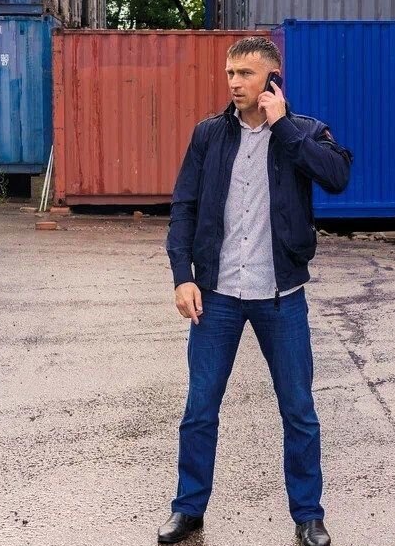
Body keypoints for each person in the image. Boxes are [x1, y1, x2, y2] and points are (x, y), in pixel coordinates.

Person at [159, 37, 352, 546]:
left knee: (298, 410)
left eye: (245, 73)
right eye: (230, 73)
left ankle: (308, 515)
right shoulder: (209, 135)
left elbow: (337, 176)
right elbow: (184, 207)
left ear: (272, 78)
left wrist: (282, 126)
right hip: (217, 294)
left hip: (280, 296)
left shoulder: (304, 131)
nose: (235, 83)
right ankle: (189, 510)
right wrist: (182, 275)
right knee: (200, 408)